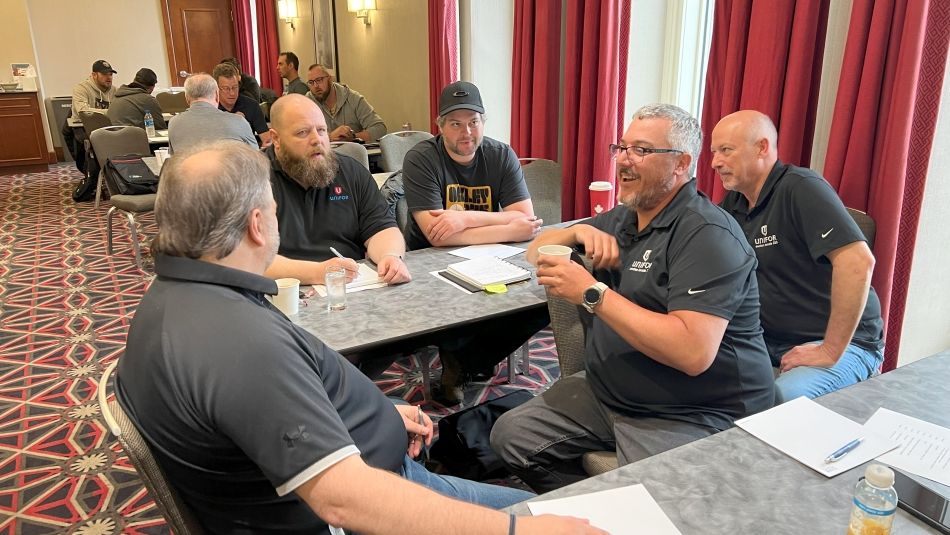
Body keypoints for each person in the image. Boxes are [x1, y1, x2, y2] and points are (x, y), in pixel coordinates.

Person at [116, 140, 605, 535]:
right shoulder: (239, 343)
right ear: (257, 224)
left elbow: (256, 415)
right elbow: (344, 500)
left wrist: (366, 416)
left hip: (334, 470)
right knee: (565, 517)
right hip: (369, 498)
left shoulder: (173, 298)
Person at [491, 103, 776, 493]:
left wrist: (592, 293)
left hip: (691, 411)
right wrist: (574, 234)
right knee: (510, 437)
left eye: (641, 150)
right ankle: (595, 505)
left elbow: (693, 352)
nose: (623, 160)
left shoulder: (706, 233)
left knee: (652, 502)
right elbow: (534, 248)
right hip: (610, 392)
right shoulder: (627, 216)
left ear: (681, 163)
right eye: (621, 148)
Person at [712, 110, 884, 402]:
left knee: (778, 402)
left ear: (762, 148)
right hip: (768, 344)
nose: (716, 162)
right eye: (715, 152)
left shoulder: (801, 187)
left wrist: (829, 350)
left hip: (845, 345)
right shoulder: (734, 204)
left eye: (726, 150)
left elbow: (857, 261)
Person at [263, 94, 410, 288]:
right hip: (284, 293)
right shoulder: (253, 178)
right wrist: (318, 272)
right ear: (276, 138)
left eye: (322, 130)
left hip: (351, 287)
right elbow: (248, 259)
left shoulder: (350, 172)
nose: (317, 140)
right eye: (302, 132)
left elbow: (381, 228)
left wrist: (390, 256)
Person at [402, 81, 542, 251]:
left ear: (483, 123)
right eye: (456, 124)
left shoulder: (502, 155)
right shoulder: (420, 160)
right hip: (428, 257)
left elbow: (524, 216)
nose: (466, 132)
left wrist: (465, 219)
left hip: (489, 253)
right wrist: (510, 231)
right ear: (441, 126)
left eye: (473, 122)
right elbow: (437, 237)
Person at [167, 73, 258, 154]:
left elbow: (173, 159)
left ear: (186, 98)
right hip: (230, 172)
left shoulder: (174, 123)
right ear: (217, 95)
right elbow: (256, 157)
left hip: (188, 172)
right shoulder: (238, 122)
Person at [305, 63, 386, 142]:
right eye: (311, 82)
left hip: (353, 153)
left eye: (319, 80)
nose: (315, 86)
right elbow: (301, 136)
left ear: (330, 79)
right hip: (323, 154)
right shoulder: (307, 102)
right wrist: (329, 137)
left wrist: (353, 137)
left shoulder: (353, 99)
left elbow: (380, 128)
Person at [63, 59, 117, 175]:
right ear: (94, 75)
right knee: (86, 146)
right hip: (82, 124)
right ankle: (88, 173)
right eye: (104, 74)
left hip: (104, 125)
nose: (109, 77)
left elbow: (117, 110)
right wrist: (108, 111)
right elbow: (83, 111)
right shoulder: (81, 88)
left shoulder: (114, 90)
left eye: (111, 74)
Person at [212, 62, 271, 147]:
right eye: (226, 89)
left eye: (235, 87)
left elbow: (267, 140)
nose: (232, 93)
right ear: (216, 88)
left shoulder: (251, 105)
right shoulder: (210, 108)